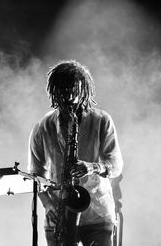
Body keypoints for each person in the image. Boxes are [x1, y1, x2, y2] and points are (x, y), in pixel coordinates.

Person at [28, 60, 123, 246]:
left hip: (97, 212)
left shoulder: (102, 120)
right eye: (65, 91)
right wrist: (47, 205)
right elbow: (35, 175)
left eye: (75, 90)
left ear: (83, 89)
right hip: (59, 213)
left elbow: (116, 165)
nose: (71, 97)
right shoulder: (42, 127)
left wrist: (92, 167)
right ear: (55, 91)